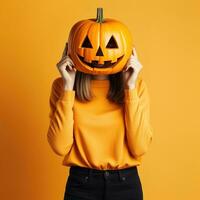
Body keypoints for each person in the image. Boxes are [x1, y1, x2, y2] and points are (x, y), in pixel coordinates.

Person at [47, 42, 153, 200]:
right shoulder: (62, 86)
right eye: (88, 43)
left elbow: (139, 147)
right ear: (72, 48)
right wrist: (68, 88)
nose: (99, 53)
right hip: (81, 185)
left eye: (111, 44)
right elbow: (59, 147)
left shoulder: (136, 86)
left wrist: (129, 87)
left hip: (125, 185)